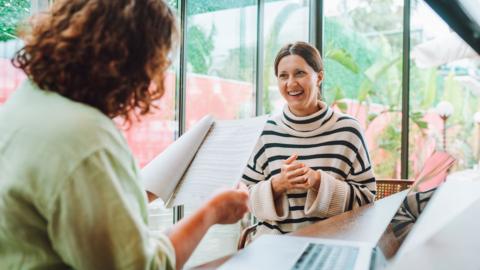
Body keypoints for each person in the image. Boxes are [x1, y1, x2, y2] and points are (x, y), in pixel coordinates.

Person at [0, 1, 248, 269]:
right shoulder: (84, 138)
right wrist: (212, 211)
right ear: (132, 61)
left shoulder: (22, 106)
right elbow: (140, 266)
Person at [241, 41, 376, 239]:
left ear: (319, 77)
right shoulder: (265, 132)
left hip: (333, 244)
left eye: (300, 73)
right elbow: (244, 198)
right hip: (274, 246)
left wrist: (318, 181)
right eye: (283, 76)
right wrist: (278, 184)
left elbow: (368, 199)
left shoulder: (348, 130)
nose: (291, 83)